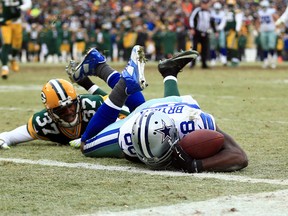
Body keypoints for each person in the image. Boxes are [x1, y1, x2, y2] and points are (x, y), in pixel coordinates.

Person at [68, 47, 248, 173]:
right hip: (147, 112)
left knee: (88, 143)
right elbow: (238, 156)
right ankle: (106, 70)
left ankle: (103, 68)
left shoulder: (195, 123)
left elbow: (239, 157)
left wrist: (196, 165)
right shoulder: (126, 137)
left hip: (179, 108)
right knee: (87, 144)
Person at [0, 45, 147, 151]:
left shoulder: (88, 104)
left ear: (77, 102)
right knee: (142, 116)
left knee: (138, 119)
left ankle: (102, 69)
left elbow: (125, 116)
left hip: (123, 110)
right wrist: (3, 139)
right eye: (61, 110)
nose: (69, 112)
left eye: (71, 105)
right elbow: (11, 136)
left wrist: (91, 136)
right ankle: (101, 68)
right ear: (50, 112)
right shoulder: (44, 122)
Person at [0, 0, 32, 79]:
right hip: (5, 23)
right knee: (6, 43)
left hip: (17, 22)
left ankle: (13, 59)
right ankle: (5, 68)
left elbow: (28, 3)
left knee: (17, 45)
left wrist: (20, 8)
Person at [189, 0, 217, 69]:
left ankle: (204, 63)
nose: (205, 5)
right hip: (197, 32)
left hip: (206, 32)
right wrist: (192, 28)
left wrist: (215, 31)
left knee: (205, 48)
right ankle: (193, 63)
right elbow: (192, 19)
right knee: (195, 48)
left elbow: (212, 21)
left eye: (206, 4)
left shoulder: (209, 12)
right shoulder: (197, 11)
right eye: (204, 4)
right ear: (201, 4)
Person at [256, 0, 279, 69]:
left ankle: (272, 61)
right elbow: (257, 21)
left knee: (271, 46)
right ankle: (266, 61)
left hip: (271, 30)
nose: (264, 8)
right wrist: (257, 29)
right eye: (263, 6)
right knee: (264, 47)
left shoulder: (271, 11)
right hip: (263, 31)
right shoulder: (260, 12)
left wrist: (277, 28)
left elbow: (277, 18)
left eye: (265, 6)